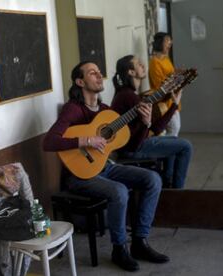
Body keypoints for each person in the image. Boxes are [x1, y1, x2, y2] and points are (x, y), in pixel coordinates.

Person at [43, 61, 169, 272]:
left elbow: (132, 146)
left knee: (153, 179)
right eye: (93, 73)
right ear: (80, 81)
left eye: (100, 72)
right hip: (79, 176)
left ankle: (139, 241)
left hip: (105, 167)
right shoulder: (72, 109)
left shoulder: (106, 112)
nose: (99, 75)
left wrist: (145, 124)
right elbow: (49, 142)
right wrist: (85, 141)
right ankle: (119, 248)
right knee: (119, 191)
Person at [111, 55, 192, 189]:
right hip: (133, 148)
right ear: (131, 72)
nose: (143, 65)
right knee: (186, 146)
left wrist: (174, 104)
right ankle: (178, 193)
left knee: (173, 141)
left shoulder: (128, 94)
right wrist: (173, 106)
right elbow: (152, 131)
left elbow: (154, 129)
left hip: (136, 143)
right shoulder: (128, 96)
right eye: (138, 64)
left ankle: (168, 186)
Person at [149, 32, 181, 136]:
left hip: (172, 99)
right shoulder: (154, 62)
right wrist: (174, 79)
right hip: (164, 102)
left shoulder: (166, 59)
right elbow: (159, 85)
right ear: (159, 43)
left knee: (175, 128)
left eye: (170, 41)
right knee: (173, 129)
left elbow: (170, 74)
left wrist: (179, 73)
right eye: (167, 40)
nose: (170, 43)